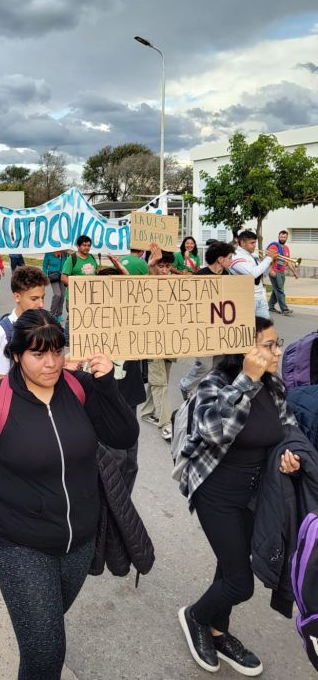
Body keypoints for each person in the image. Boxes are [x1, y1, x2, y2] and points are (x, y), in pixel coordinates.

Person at [0, 309, 139, 680]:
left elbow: (124, 436)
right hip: (20, 547)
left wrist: (106, 385)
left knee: (43, 637)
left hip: (80, 544)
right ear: (16, 356)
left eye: (57, 351)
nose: (51, 363)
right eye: (38, 354)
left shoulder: (78, 387)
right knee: (46, 656)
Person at [178, 316, 298, 675]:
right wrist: (247, 380)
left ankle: (218, 631)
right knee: (240, 581)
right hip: (215, 494)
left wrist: (290, 456)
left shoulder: (274, 387)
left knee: (226, 568)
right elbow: (215, 431)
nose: (277, 352)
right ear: (243, 351)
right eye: (268, 345)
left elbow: (286, 428)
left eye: (278, 344)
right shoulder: (213, 385)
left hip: (254, 495)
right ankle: (195, 616)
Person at [178, 241, 236, 399]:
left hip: (219, 327)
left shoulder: (227, 275)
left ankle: (206, 392)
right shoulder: (200, 276)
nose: (231, 260)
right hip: (201, 328)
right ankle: (186, 385)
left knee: (218, 362)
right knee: (205, 364)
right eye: (229, 257)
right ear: (220, 259)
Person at [0, 266, 48, 389]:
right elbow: (1, 383)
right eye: (34, 299)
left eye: (42, 297)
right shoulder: (2, 334)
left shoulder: (44, 324)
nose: (41, 304)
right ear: (17, 297)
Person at [139, 247, 175, 441]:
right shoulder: (147, 284)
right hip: (151, 341)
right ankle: (165, 423)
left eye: (167, 266)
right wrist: (151, 265)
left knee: (162, 380)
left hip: (170, 340)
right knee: (160, 382)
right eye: (160, 266)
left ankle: (146, 412)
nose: (164, 270)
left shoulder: (174, 285)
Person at [266, 230, 298, 316]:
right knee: (280, 290)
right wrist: (270, 270)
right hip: (274, 271)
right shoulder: (274, 246)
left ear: (286, 238)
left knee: (276, 289)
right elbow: (267, 258)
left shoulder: (286, 248)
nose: (283, 238)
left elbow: (288, 261)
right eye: (281, 237)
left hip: (282, 271)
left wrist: (294, 272)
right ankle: (284, 309)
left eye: (284, 237)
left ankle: (271, 306)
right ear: (278, 237)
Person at [42, 250, 67, 320]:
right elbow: (44, 265)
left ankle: (59, 314)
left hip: (62, 276)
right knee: (57, 294)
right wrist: (45, 276)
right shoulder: (48, 253)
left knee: (62, 296)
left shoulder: (64, 253)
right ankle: (51, 314)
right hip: (53, 276)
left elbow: (67, 264)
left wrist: (68, 254)